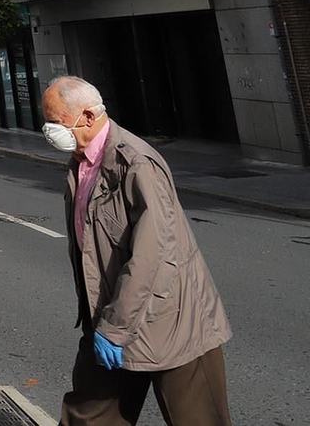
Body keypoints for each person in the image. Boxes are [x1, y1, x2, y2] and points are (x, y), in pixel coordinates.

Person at [42, 76, 232, 426]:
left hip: (173, 322)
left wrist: (115, 328)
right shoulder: (82, 163)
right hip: (110, 319)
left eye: (55, 121)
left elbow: (154, 256)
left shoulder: (137, 162)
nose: (48, 130)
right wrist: (103, 323)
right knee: (87, 418)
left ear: (86, 117)